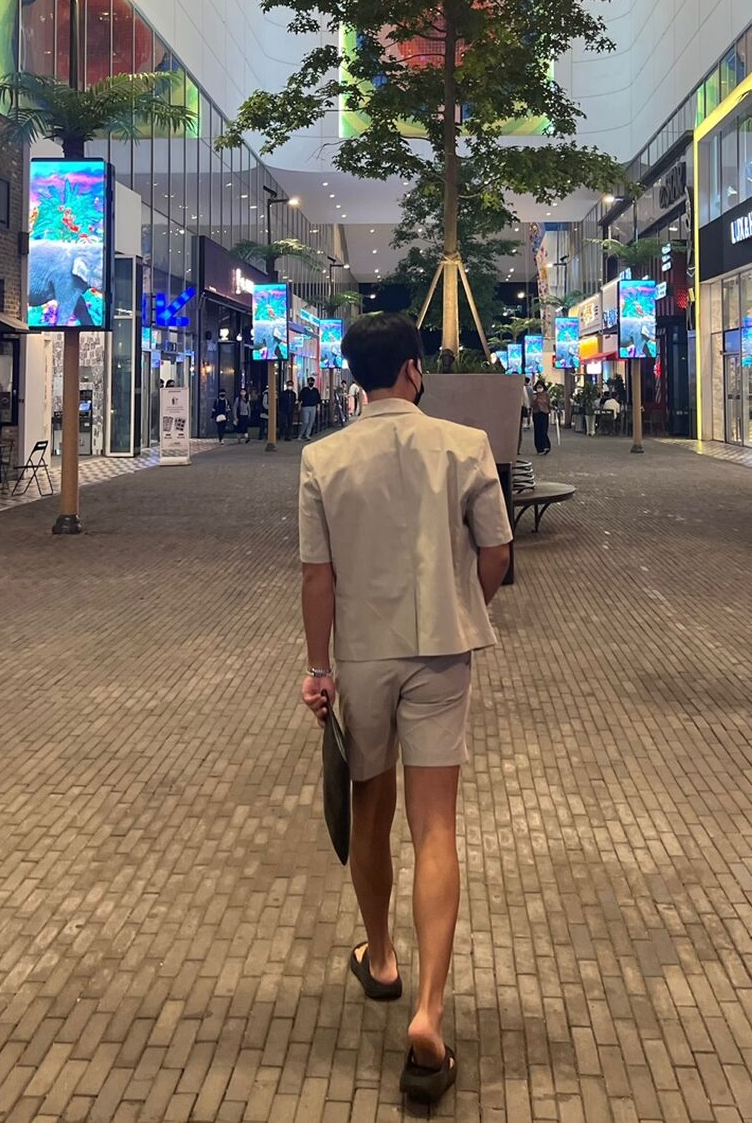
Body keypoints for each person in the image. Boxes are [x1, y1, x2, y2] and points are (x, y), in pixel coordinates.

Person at [298, 314, 512, 1105]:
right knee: (435, 827)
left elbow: (316, 575)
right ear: (414, 370)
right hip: (440, 652)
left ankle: (381, 958)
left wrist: (318, 669)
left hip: (363, 652)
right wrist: (463, 606)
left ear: (357, 375)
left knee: (370, 806)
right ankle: (429, 1011)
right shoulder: (464, 446)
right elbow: (496, 553)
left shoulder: (323, 458)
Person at [531, 379, 551, 455]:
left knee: (544, 430)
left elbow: (548, 403)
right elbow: (532, 405)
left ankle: (546, 446)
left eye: (540, 387)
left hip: (544, 413)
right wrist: (534, 400)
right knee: (537, 431)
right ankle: (539, 448)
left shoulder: (546, 394)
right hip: (536, 414)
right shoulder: (534, 395)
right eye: (538, 387)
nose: (539, 388)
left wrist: (550, 409)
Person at [298, 377, 322, 441]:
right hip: (305, 407)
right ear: (308, 382)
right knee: (305, 422)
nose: (311, 383)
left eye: (312, 382)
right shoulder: (304, 390)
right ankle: (300, 434)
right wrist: (299, 407)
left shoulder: (315, 390)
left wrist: (318, 407)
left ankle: (307, 435)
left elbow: (318, 400)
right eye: (310, 381)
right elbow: (300, 399)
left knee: (311, 422)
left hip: (313, 407)